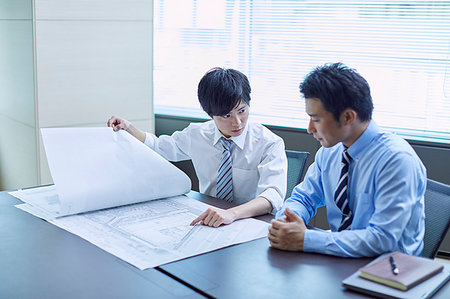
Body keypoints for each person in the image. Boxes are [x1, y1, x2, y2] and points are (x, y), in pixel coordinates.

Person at [268, 62, 426, 257]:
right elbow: (303, 198)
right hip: (340, 259)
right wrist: (289, 219)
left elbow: (383, 239)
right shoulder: (330, 151)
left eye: (316, 119)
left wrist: (306, 239)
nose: (309, 128)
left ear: (348, 117)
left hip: (389, 272)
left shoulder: (397, 161)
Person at [108, 67, 287, 227]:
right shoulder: (198, 134)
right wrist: (128, 127)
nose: (237, 122)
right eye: (226, 115)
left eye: (242, 110)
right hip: (209, 219)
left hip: (250, 223)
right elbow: (158, 146)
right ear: (210, 114)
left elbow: (273, 196)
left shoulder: (269, 143)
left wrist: (231, 214)